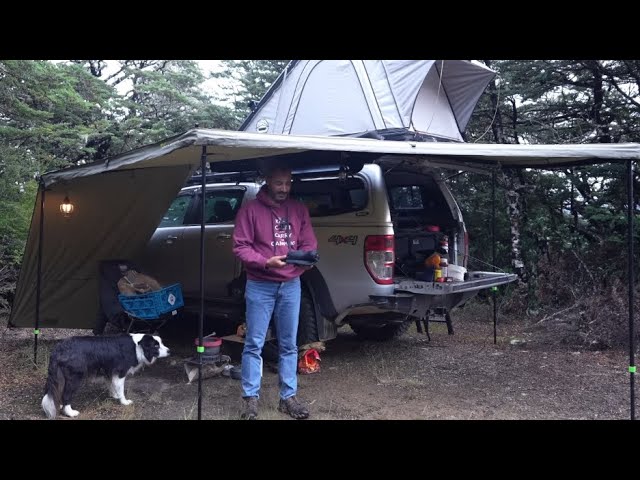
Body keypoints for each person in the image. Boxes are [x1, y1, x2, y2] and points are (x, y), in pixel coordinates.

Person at [232, 163, 318, 420]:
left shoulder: (298, 209)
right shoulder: (250, 211)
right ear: (267, 181)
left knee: (289, 344)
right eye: (279, 183)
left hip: (291, 284)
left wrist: (306, 258)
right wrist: (265, 262)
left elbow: (308, 242)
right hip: (260, 283)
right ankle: (250, 399)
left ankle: (288, 397)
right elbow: (240, 247)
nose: (284, 188)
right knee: (254, 343)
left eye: (288, 183)